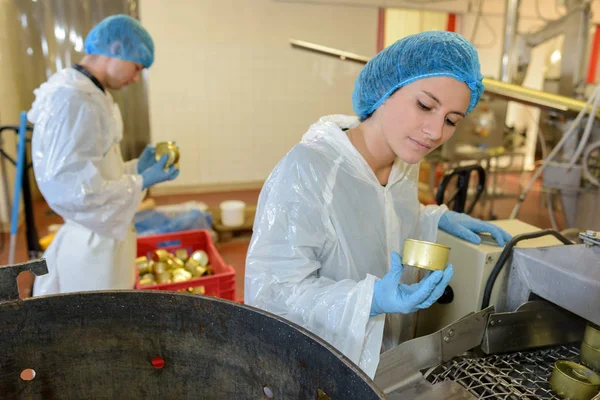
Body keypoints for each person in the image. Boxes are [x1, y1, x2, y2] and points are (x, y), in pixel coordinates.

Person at [245, 31, 512, 378]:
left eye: (451, 120)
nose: (434, 132)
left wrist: (432, 219)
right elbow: (272, 295)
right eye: (425, 106)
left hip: (385, 359)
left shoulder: (405, 162)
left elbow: (381, 219)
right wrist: (369, 300)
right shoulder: (309, 170)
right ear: (386, 89)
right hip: (319, 366)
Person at [28, 15, 179, 296]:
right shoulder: (73, 100)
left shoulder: (91, 94)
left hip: (101, 236)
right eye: (137, 68)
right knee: (95, 329)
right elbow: (76, 192)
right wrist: (140, 182)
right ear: (117, 48)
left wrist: (134, 169)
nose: (136, 78)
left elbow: (94, 172)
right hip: (91, 247)